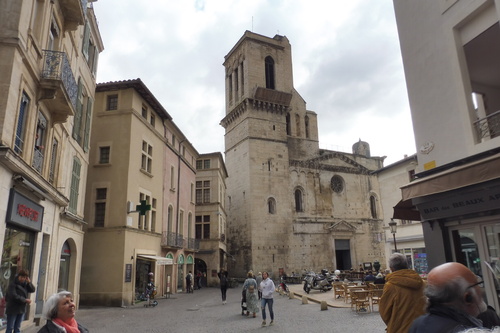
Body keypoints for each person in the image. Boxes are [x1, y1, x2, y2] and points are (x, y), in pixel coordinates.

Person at [409, 262, 488, 333]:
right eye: (477, 283)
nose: (480, 288)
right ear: (468, 297)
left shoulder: (418, 324)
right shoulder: (463, 330)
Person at [379, 253, 426, 333]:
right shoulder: (424, 284)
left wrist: (393, 324)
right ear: (407, 265)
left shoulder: (391, 286)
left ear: (392, 268)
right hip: (423, 328)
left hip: (400, 329)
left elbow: (384, 312)